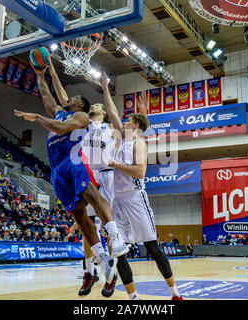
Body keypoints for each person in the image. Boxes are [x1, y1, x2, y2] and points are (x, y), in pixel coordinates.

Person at [14, 62, 128, 295]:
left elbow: (60, 127)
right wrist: (41, 76)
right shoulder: (61, 110)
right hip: (56, 168)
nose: (68, 98)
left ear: (81, 105)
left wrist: (37, 118)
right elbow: (49, 95)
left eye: (73, 97)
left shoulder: (81, 117)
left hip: (75, 160)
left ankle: (115, 238)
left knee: (92, 196)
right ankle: (101, 259)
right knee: (78, 214)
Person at [47, 56, 126, 298]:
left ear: (101, 110)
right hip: (85, 173)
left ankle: (111, 268)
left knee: (107, 225)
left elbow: (113, 113)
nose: (95, 110)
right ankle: (91, 270)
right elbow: (62, 99)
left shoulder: (109, 130)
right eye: (92, 107)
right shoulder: (85, 123)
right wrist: (51, 68)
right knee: (86, 226)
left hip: (107, 177)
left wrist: (105, 91)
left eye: (98, 107)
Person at [102, 73, 183, 300]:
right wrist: (105, 88)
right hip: (118, 200)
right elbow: (112, 113)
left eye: (128, 121)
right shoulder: (123, 138)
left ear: (135, 125)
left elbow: (140, 172)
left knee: (153, 249)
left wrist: (116, 164)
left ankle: (175, 293)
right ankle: (133, 298)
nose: (123, 122)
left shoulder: (138, 143)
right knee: (118, 252)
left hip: (136, 198)